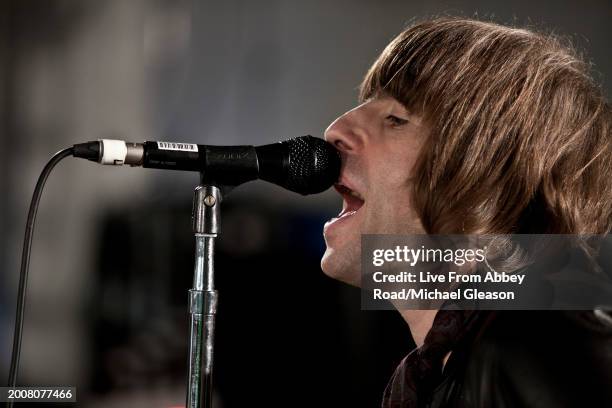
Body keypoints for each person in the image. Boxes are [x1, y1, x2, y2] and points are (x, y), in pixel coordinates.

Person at [320, 17, 612, 407]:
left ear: (491, 182)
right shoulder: (462, 362)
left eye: (397, 119)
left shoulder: (540, 342)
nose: (336, 129)